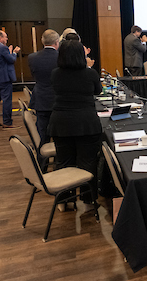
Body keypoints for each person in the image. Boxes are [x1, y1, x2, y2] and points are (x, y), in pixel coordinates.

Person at [47, 40, 102, 211]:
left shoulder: (55, 73)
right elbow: (97, 91)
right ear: (82, 55)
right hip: (86, 123)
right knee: (88, 162)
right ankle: (88, 199)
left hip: (61, 123)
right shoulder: (90, 74)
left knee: (64, 162)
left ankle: (64, 200)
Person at [28, 29, 59, 145]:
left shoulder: (32, 57)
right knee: (59, 133)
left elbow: (34, 76)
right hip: (57, 99)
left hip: (40, 98)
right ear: (56, 42)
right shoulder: (61, 57)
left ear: (42, 41)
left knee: (42, 132)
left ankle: (43, 160)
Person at [0, 30, 21, 129]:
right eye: (5, 37)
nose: (7, 39)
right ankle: (7, 122)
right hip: (4, 78)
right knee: (7, 100)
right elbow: (11, 60)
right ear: (0, 38)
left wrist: (9, 52)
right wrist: (14, 53)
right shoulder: (3, 48)